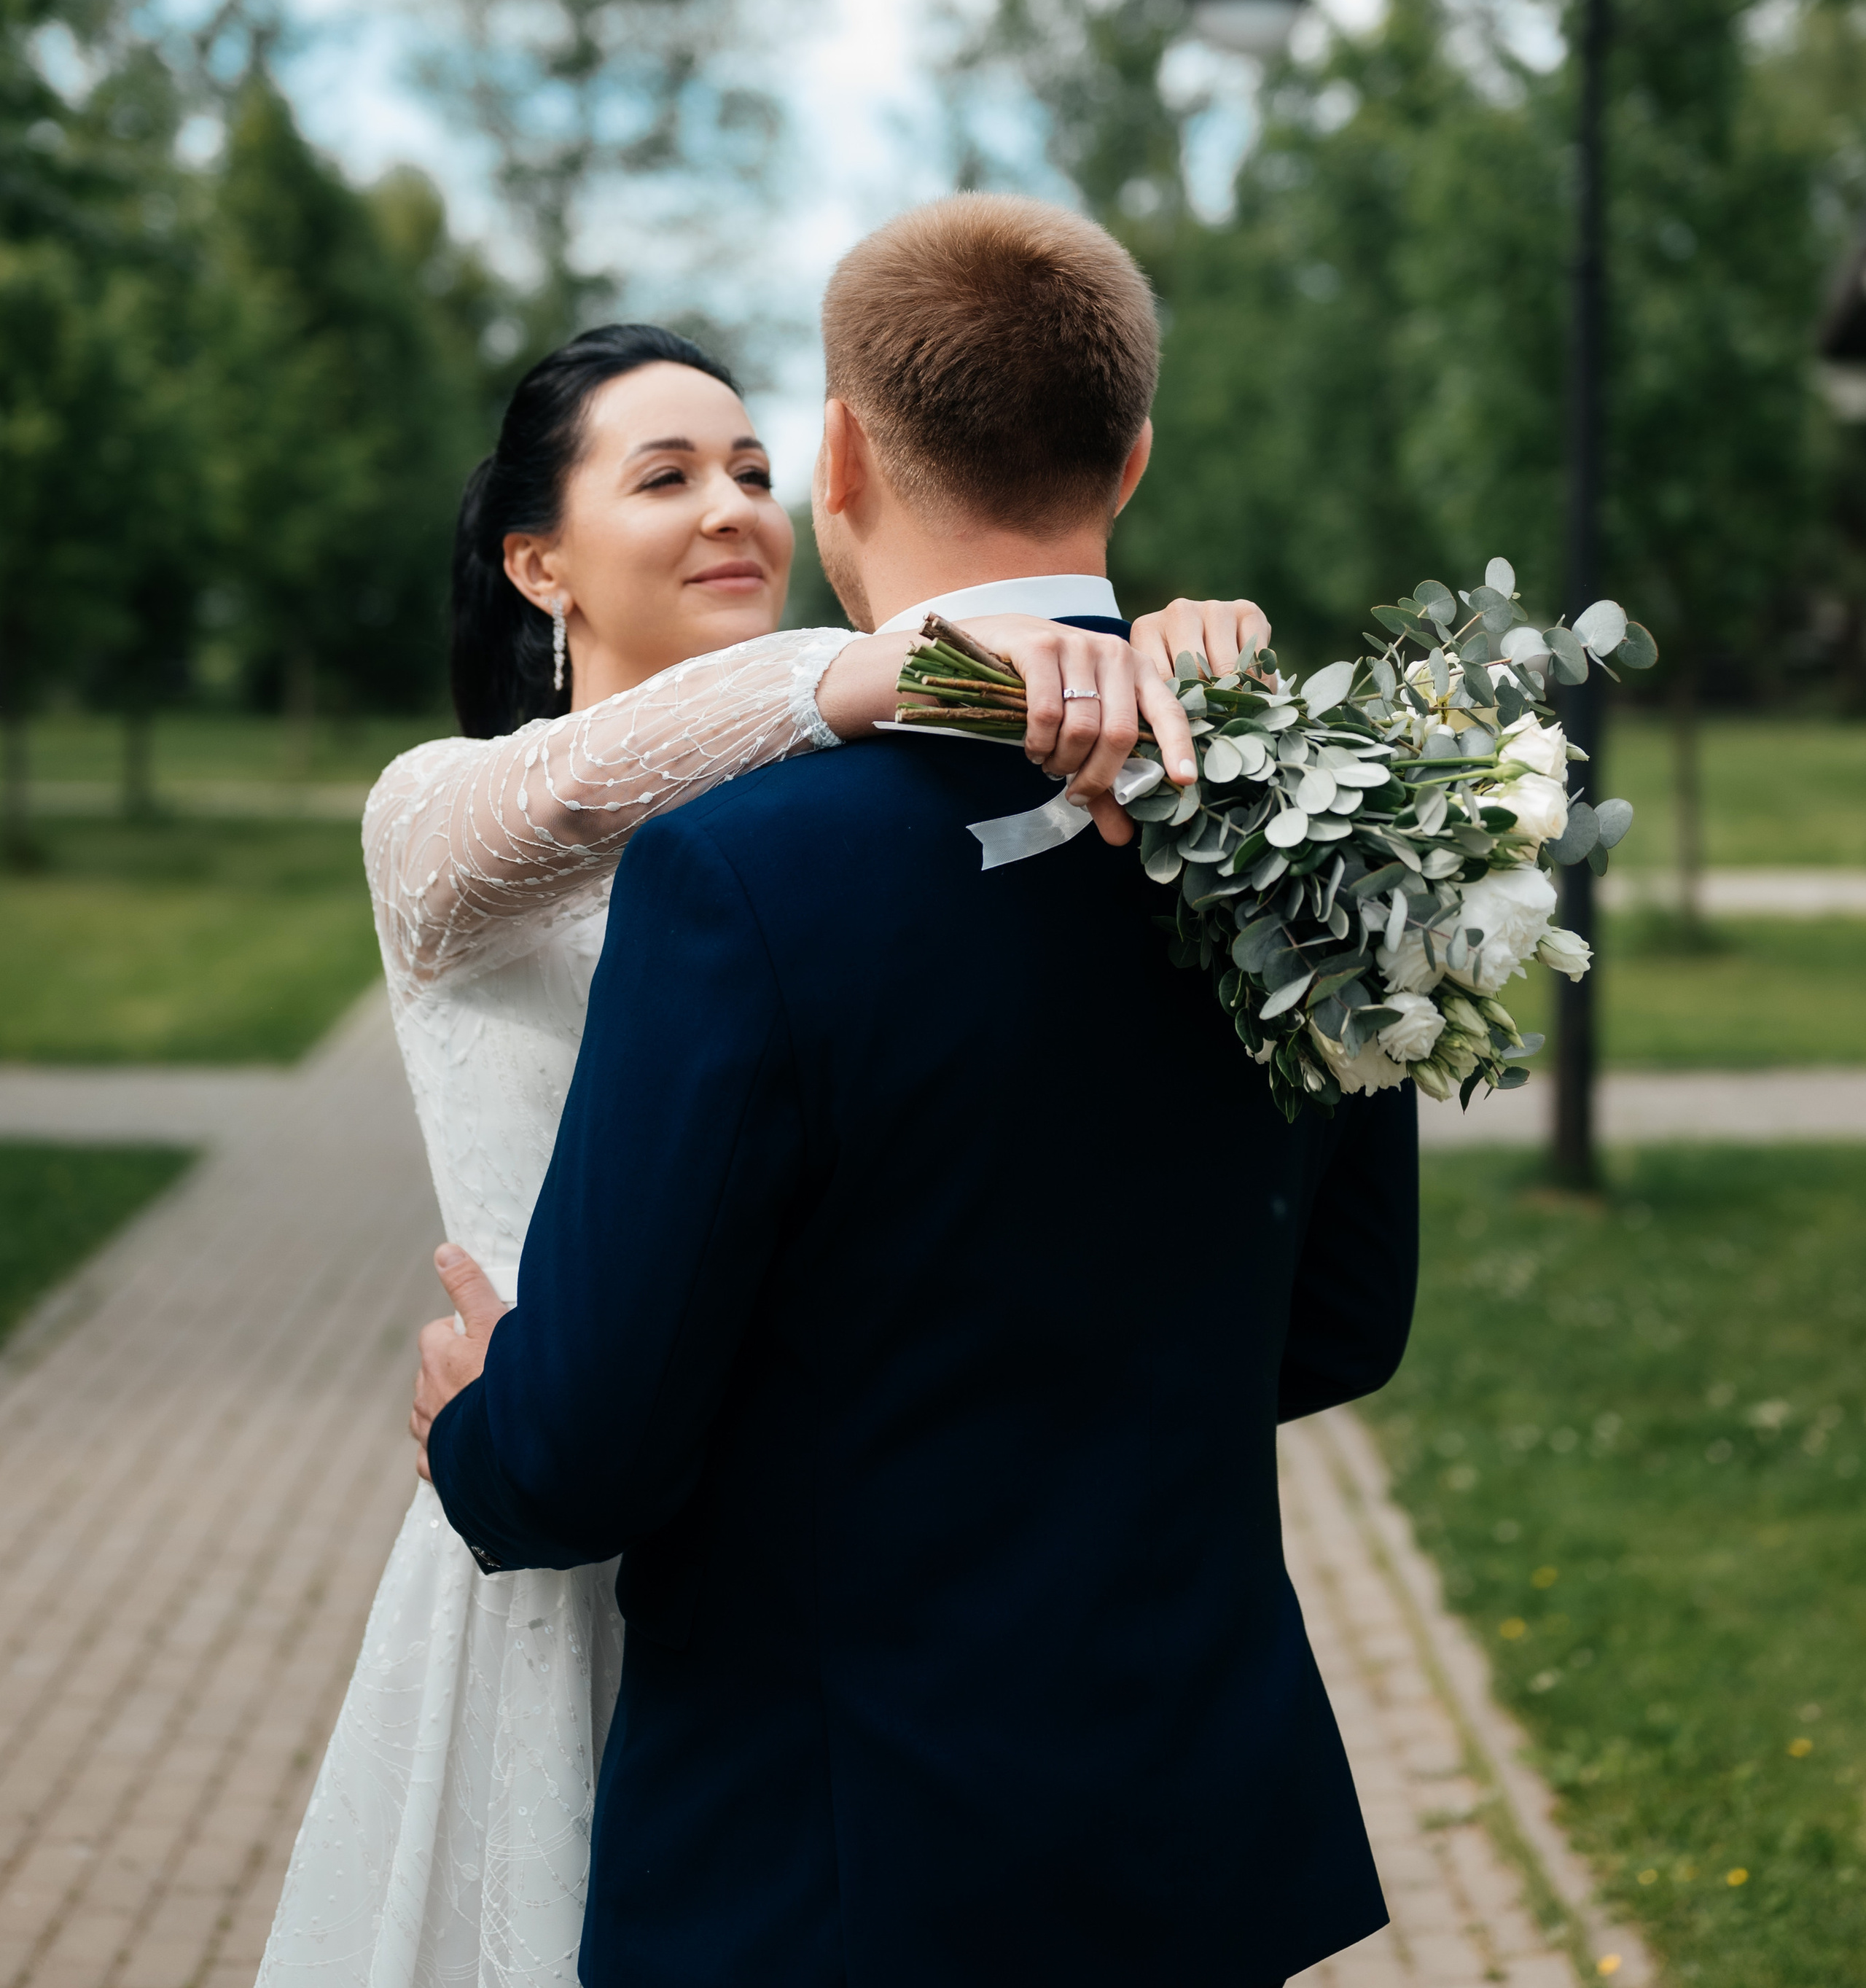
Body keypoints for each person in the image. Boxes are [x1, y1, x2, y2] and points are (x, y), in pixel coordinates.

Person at [417, 200, 1419, 1988]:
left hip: (839, 1872)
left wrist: (481, 1418)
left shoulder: (742, 877)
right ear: (1129, 458)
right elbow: (1340, 1321)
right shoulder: (1310, 830)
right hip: (1192, 1837)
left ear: (842, 456)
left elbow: (583, 1455)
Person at [258, 315, 1262, 1988]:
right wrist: (935, 650)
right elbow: (589, 794)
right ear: (535, 563)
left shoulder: (847, 792)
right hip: (546, 1495)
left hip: (798, 1552)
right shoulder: (435, 812)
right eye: (663, 477)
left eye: (750, 468)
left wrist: (1141, 659)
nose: (733, 507)